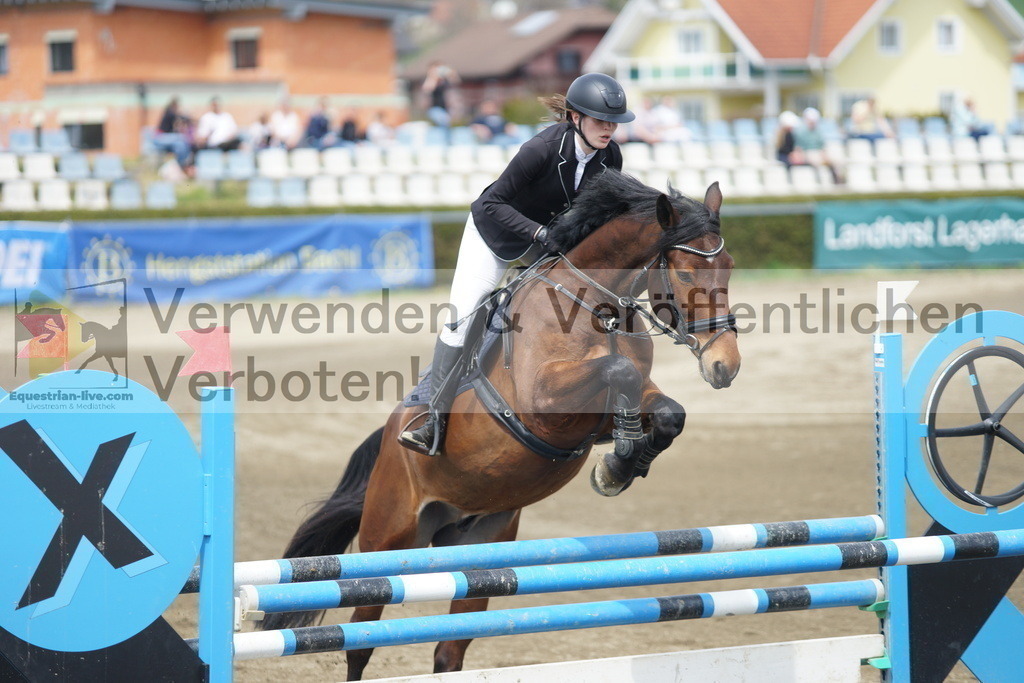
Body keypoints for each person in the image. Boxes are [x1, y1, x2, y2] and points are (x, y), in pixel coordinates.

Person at [399, 73, 634, 454]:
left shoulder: (611, 158)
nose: (609, 129)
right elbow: (489, 205)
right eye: (600, 120)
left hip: (549, 240)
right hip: (494, 235)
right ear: (575, 118)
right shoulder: (539, 149)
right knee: (462, 318)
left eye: (613, 122)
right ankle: (433, 422)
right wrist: (540, 235)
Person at [793, 107, 840, 183]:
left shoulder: (818, 132)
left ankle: (836, 179)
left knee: (834, 160)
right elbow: (798, 148)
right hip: (807, 153)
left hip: (818, 152)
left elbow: (822, 146)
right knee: (815, 160)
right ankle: (819, 181)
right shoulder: (801, 132)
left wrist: (825, 155)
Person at [153, 97, 193, 171]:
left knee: (180, 145)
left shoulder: (171, 115)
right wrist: (189, 118)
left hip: (166, 138)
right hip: (160, 137)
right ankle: (182, 163)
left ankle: (181, 164)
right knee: (181, 137)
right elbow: (180, 116)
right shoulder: (169, 113)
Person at [422, 61, 459, 135]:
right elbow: (427, 89)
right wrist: (433, 76)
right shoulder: (430, 80)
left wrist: (450, 72)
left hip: (447, 109)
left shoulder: (444, 81)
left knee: (445, 126)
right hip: (435, 108)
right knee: (443, 122)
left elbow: (456, 81)